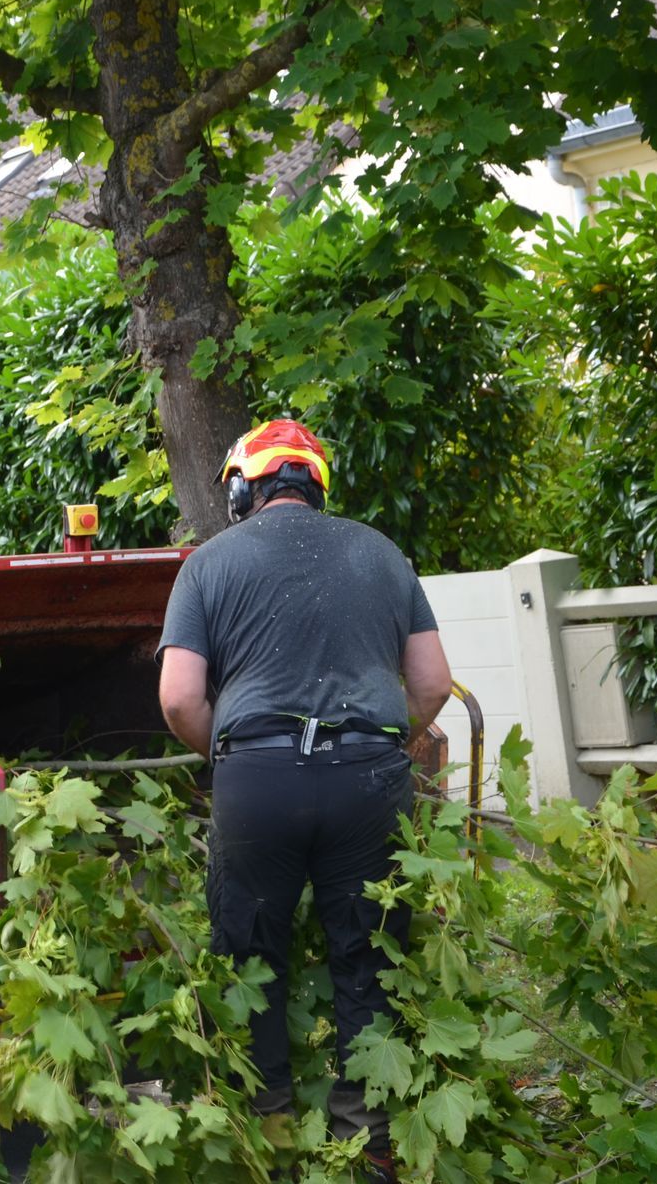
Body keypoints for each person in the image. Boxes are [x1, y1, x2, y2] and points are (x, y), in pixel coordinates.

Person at [156, 418, 451, 1183]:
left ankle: (270, 1148)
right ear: (316, 484)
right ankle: (367, 1152)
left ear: (240, 489)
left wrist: (235, 753)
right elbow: (432, 684)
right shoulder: (383, 554)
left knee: (252, 956)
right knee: (364, 956)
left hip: (259, 780)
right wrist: (383, 742)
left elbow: (181, 697)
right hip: (370, 780)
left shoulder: (207, 566)